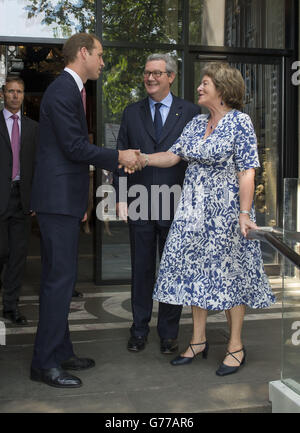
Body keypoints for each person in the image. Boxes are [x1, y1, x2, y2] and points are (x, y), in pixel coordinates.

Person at [138, 62, 276, 376]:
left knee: (230, 278)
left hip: (227, 215)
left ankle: (236, 346)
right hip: (192, 213)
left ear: (223, 89)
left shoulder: (240, 122)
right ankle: (198, 340)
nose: (199, 88)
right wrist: (142, 157)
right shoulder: (195, 124)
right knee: (192, 274)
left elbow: (247, 171)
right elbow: (173, 155)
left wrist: (244, 213)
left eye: (205, 83)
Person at [30, 33, 142, 389]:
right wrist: (118, 156)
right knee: (57, 283)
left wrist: (81, 202)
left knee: (62, 283)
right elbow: (75, 147)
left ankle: (61, 352)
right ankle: (44, 363)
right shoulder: (63, 90)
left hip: (64, 201)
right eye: (100, 55)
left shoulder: (70, 90)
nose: (103, 62)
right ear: (83, 53)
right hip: (56, 202)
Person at [114, 53, 200, 354]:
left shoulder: (189, 112)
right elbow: (120, 157)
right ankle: (138, 330)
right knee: (141, 271)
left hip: (176, 206)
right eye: (147, 73)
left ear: (171, 77)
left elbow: (195, 163)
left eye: (157, 74)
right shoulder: (131, 112)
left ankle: (168, 333)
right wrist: (121, 197)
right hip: (139, 204)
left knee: (172, 271)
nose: (150, 78)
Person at [0, 76, 38, 325]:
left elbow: (38, 165)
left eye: (20, 92)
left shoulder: (34, 128)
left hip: (22, 200)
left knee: (18, 256)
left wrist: (36, 197)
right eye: (11, 91)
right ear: (3, 94)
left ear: (24, 95)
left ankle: (10, 306)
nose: (15, 95)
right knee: (1, 252)